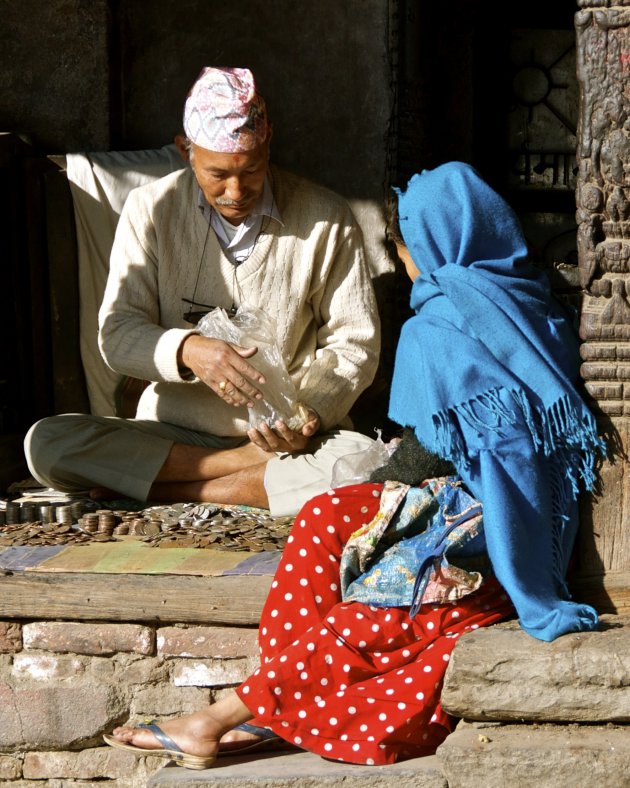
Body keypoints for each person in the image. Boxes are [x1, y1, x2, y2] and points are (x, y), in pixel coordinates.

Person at [105, 159, 603, 769]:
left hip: (503, 519)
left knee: (388, 583)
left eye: (403, 248)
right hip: (470, 491)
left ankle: (219, 717)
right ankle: (276, 711)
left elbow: (500, 459)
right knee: (322, 515)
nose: (403, 264)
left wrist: (517, 575)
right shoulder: (529, 298)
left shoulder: (445, 323)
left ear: (433, 241)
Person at [24, 67, 380, 517]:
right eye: (217, 174)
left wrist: (307, 411)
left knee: (360, 466)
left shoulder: (326, 216)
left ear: (269, 142)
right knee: (46, 444)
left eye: (251, 169)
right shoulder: (150, 210)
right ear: (185, 150)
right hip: (176, 435)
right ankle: (237, 470)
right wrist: (189, 351)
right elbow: (117, 333)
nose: (236, 190)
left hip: (287, 439)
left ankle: (168, 491)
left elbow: (355, 343)